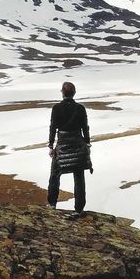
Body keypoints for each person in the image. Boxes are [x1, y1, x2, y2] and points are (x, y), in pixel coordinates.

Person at [47, 81, 93, 214]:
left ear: (62, 92)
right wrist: (88, 144)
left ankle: (52, 204)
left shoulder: (56, 108)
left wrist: (51, 145)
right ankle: (79, 208)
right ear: (74, 93)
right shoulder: (80, 108)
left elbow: (53, 128)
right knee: (79, 176)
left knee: (55, 174)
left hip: (62, 144)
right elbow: (85, 128)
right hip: (78, 143)